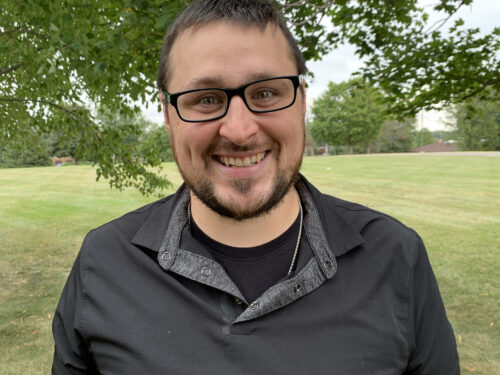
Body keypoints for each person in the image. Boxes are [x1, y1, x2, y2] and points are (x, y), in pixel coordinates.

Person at [52, 0, 460, 373]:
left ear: (301, 100)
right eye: (206, 98)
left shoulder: (395, 257)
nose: (240, 130)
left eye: (266, 92)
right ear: (168, 114)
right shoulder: (103, 262)